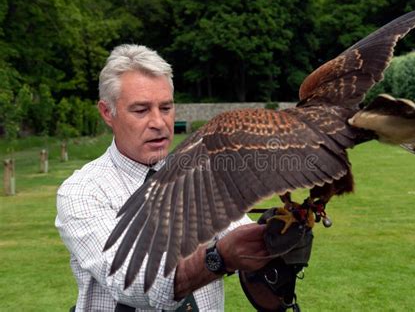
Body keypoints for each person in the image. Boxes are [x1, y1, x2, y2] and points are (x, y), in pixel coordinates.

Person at [55, 44, 270, 311]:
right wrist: (217, 259)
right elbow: (130, 281)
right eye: (141, 110)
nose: (159, 122)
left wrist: (275, 239)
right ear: (107, 112)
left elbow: (241, 237)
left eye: (166, 107)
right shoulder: (82, 191)